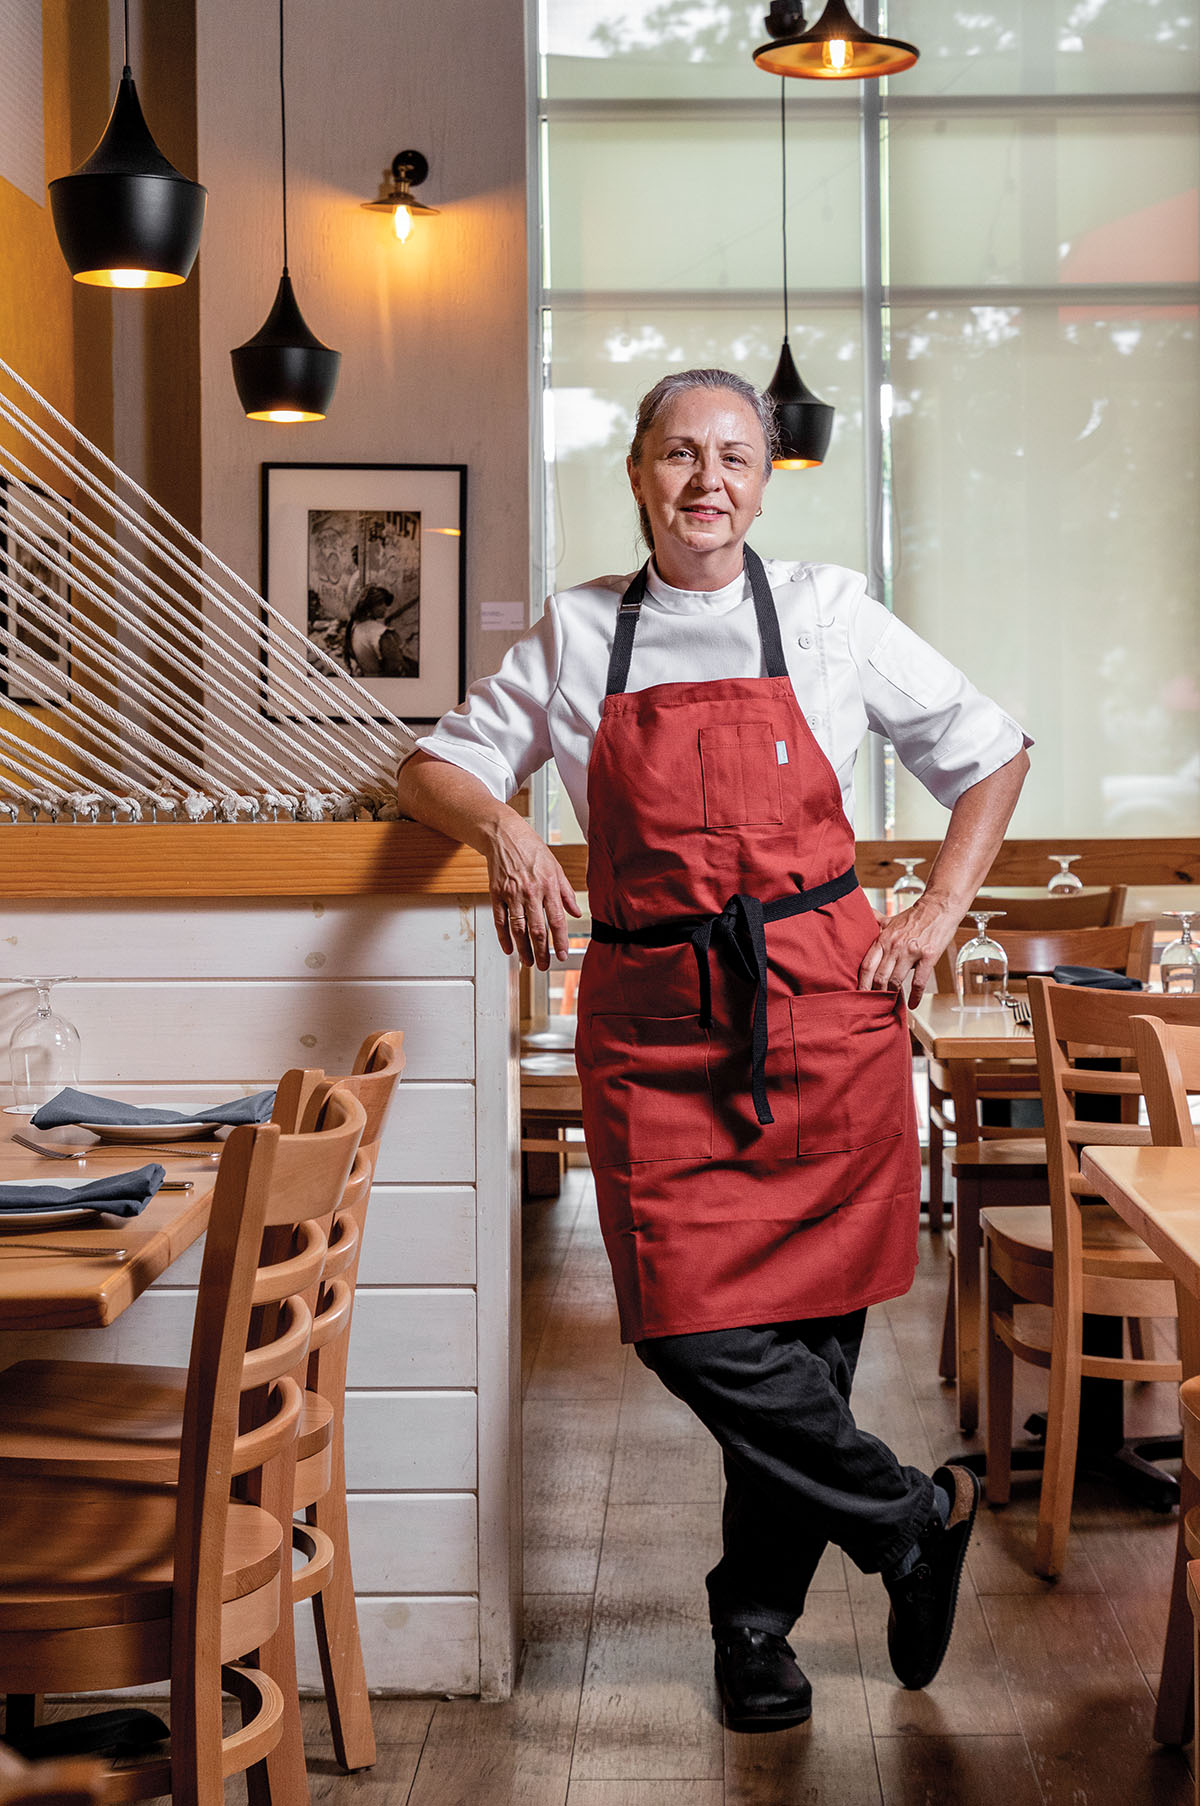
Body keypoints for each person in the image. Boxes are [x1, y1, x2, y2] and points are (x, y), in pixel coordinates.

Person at [395, 368, 1031, 1731]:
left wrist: (937, 908)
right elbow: (433, 764)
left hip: (827, 1009)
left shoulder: (827, 612)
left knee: (811, 1348)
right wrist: (505, 827)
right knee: (687, 1321)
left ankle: (757, 1629)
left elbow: (990, 751)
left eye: (734, 457)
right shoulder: (575, 635)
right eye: (679, 455)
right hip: (654, 1024)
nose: (707, 481)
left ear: (762, 476)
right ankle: (909, 1518)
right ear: (635, 475)